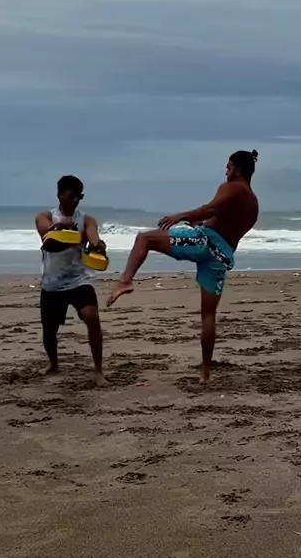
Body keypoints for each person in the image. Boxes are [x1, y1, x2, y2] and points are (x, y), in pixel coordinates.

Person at [107, 150, 259, 383]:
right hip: (221, 257)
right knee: (208, 315)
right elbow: (224, 224)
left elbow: (211, 209)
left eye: (229, 167)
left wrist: (180, 216)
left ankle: (125, 281)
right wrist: (200, 222)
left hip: (202, 243)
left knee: (144, 239)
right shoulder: (253, 203)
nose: (225, 171)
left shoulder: (232, 187)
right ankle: (205, 373)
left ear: (238, 170)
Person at [35, 175, 109, 387]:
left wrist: (97, 245)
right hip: (52, 282)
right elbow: (48, 240)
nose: (75, 201)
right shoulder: (45, 217)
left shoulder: (86, 220)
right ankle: (53, 364)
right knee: (49, 332)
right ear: (59, 195)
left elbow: (93, 236)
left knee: (92, 318)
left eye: (79, 197)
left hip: (79, 279)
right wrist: (58, 229)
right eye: (71, 196)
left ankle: (98, 371)